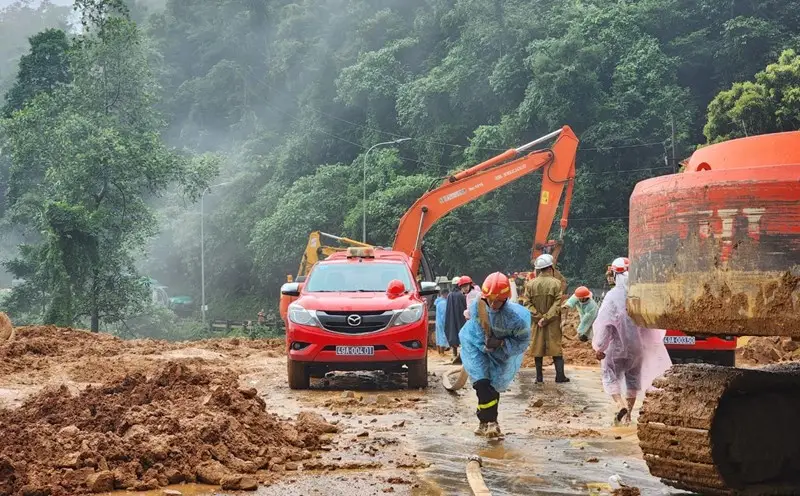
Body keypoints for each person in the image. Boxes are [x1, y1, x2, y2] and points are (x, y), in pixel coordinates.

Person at [592, 257, 671, 424]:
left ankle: (619, 404)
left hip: (616, 347)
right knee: (632, 380)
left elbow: (606, 325)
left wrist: (600, 347)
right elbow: (652, 324)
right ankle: (628, 416)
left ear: (615, 274)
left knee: (609, 374)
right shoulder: (642, 295)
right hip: (637, 348)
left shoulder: (612, 297)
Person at [459, 272, 531, 438]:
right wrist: (484, 343)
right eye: (489, 299)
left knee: (492, 386)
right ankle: (490, 421)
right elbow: (476, 325)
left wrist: (501, 343)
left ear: (506, 299)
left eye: (497, 301)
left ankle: (486, 422)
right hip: (475, 345)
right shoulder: (478, 305)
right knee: (481, 383)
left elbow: (522, 341)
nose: (492, 304)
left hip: (500, 352)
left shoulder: (516, 319)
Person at [524, 254, 570, 383]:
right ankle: (560, 376)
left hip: (537, 322)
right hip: (552, 322)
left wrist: (539, 317)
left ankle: (539, 378)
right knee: (556, 348)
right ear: (550, 268)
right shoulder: (556, 283)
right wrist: (546, 318)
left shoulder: (530, 284)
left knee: (537, 349)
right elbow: (557, 303)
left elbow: (527, 304)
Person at [445, 275, 471, 364]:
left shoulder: (449, 295)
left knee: (453, 334)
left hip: (452, 319)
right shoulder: (462, 295)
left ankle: (454, 354)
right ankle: (463, 356)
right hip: (461, 319)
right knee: (463, 336)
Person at [434, 289, 450, 355]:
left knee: (438, 336)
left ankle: (439, 352)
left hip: (438, 321)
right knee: (443, 337)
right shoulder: (443, 303)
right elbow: (444, 314)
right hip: (442, 322)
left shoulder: (438, 301)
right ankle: (442, 353)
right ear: (445, 294)